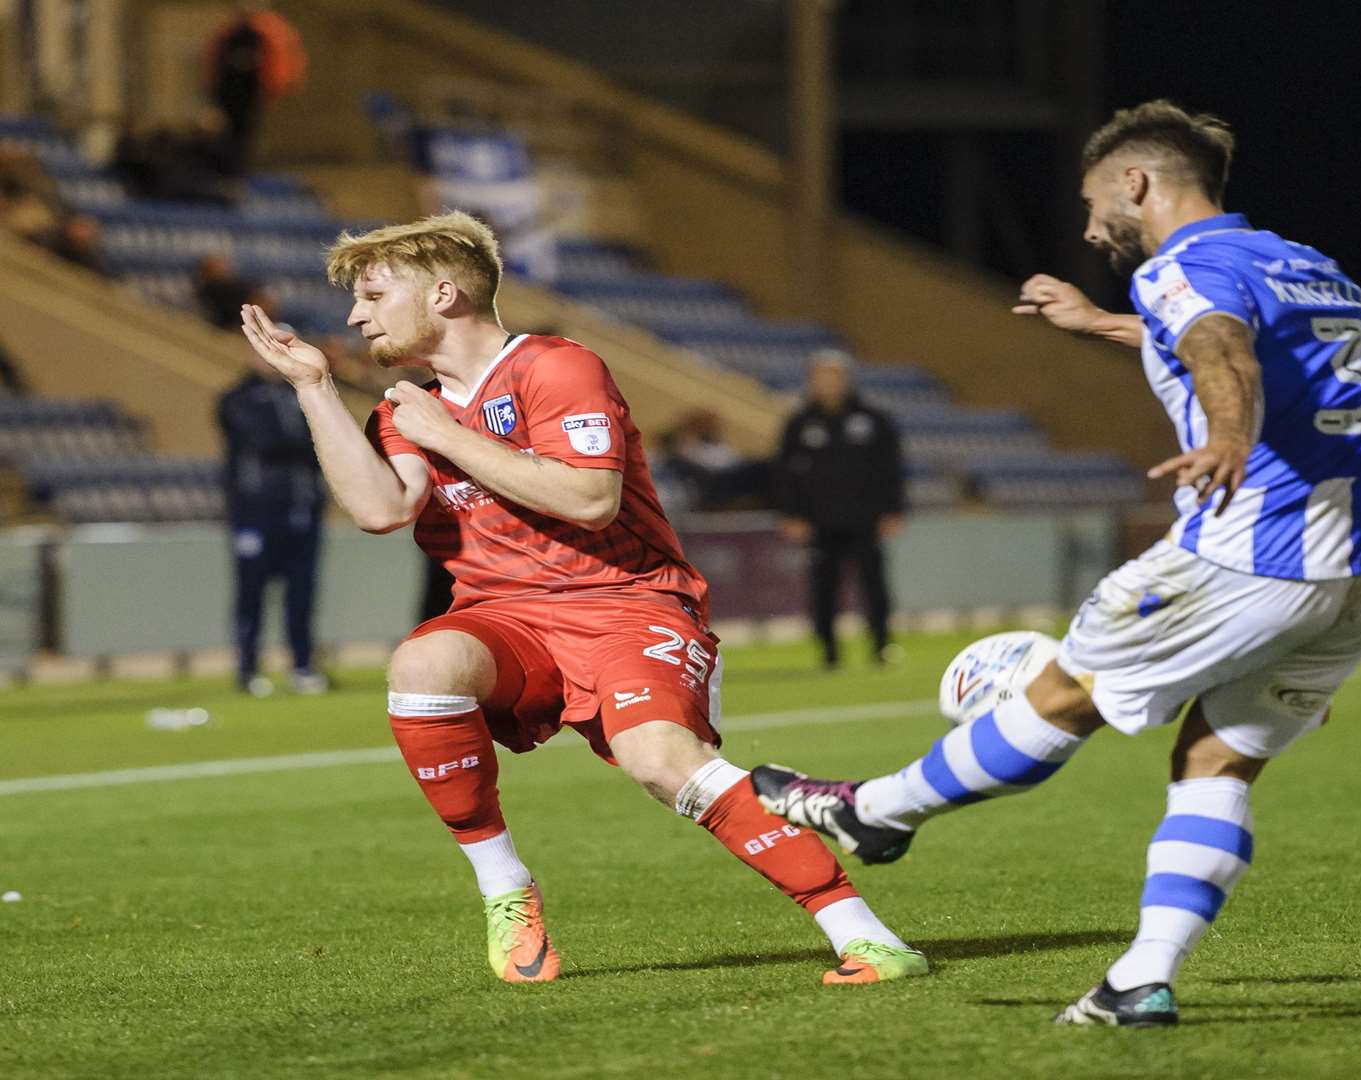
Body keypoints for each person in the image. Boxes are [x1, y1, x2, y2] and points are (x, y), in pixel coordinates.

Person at [753, 101, 1361, 1025]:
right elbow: (1219, 337)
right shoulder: (1307, 266)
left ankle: (877, 811)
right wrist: (1098, 323)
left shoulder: (1182, 265)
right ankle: (1141, 980)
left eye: (1091, 202)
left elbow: (1218, 346)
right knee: (1215, 755)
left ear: (1136, 183)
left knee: (1063, 693)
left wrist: (1227, 434)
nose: (1086, 225)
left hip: (1256, 545)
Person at [236, 211, 924, 986]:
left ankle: (863, 935)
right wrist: (315, 389)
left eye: (372, 294)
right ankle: (506, 889)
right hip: (508, 620)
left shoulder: (556, 367)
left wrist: (453, 436)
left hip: (628, 605)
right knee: (423, 665)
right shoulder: (402, 411)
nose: (356, 315)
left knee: (662, 764)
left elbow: (591, 499)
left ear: (446, 293)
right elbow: (380, 510)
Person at [774, 351, 906, 668]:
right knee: (823, 588)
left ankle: (881, 645)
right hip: (819, 521)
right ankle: (829, 651)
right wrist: (790, 514)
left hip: (866, 519)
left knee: (874, 585)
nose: (827, 383)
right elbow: (784, 473)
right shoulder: (800, 422)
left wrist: (893, 510)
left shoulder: (874, 420)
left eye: (833, 376)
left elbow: (892, 468)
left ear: (845, 380)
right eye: (820, 376)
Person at [218, 342, 330, 697]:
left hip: (301, 507)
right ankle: (248, 668)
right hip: (257, 512)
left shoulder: (300, 395)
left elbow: (321, 438)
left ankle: (302, 664)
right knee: (251, 593)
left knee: (302, 593)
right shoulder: (237, 398)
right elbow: (271, 439)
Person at [204, 3, 307, 175]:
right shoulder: (230, 34)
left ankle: (238, 168)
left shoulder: (265, 33)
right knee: (232, 133)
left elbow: (279, 64)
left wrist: (277, 87)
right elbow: (217, 64)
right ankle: (231, 168)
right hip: (230, 93)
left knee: (244, 132)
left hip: (250, 93)